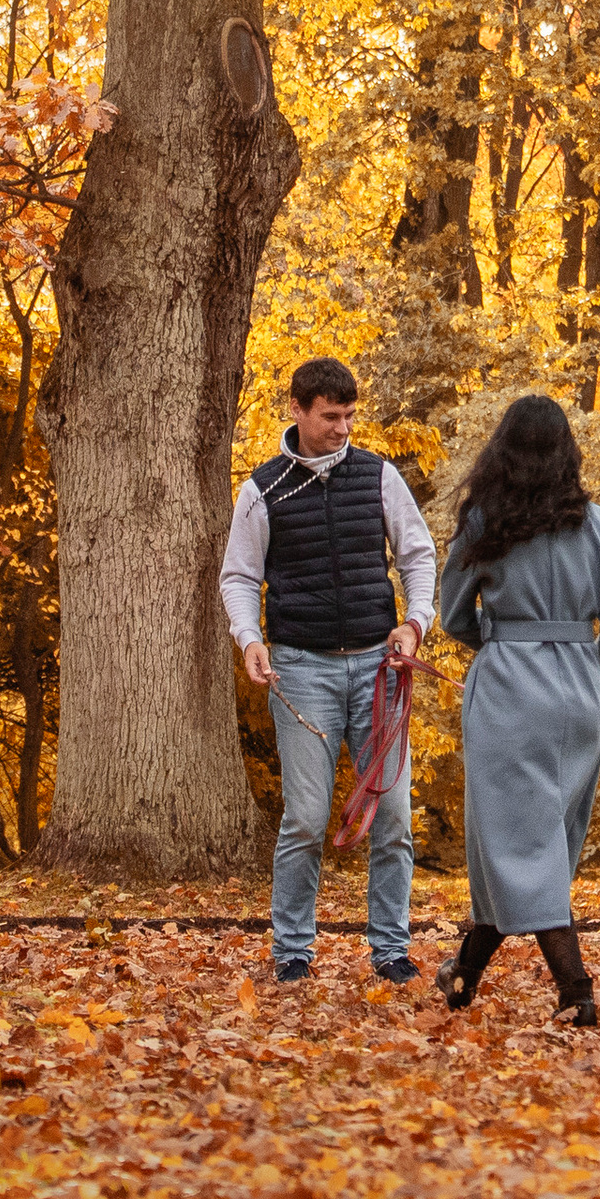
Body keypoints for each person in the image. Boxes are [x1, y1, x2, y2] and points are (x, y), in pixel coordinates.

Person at [220, 358, 436, 985]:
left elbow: (418, 556)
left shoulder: (379, 477)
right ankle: (292, 950)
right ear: (298, 409)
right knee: (307, 818)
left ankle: (391, 949)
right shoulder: (263, 489)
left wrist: (415, 624)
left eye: (349, 417)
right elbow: (238, 576)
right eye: (330, 416)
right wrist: (249, 638)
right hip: (300, 670)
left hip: (380, 668)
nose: (343, 428)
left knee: (394, 814)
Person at [434, 394, 600, 1027]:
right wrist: (591, 667)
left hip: (508, 695)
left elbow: (451, 617)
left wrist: (500, 647)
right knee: (538, 844)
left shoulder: (484, 525)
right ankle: (463, 972)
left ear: (502, 451)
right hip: (580, 697)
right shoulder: (597, 522)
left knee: (516, 845)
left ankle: (576, 990)